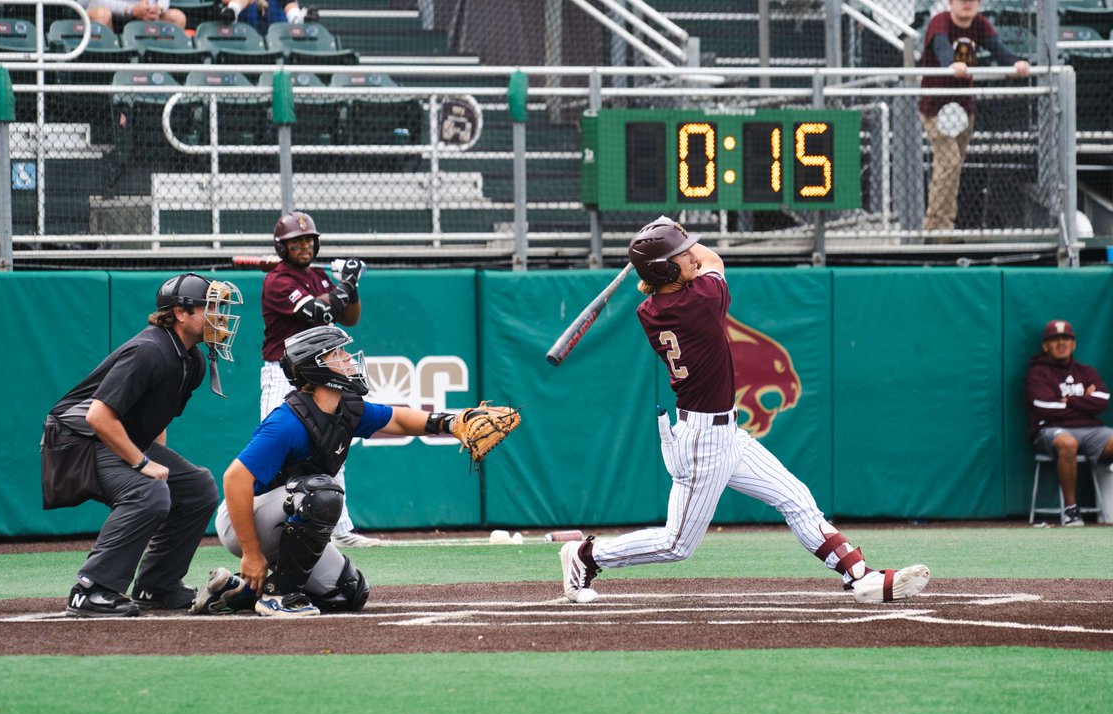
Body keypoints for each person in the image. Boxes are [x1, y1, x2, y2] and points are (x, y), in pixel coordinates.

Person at [560, 217, 931, 605]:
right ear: (665, 269)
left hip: (723, 431)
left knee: (796, 498)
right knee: (677, 544)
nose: (690, 256)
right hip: (704, 440)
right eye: (679, 256)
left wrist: (667, 243)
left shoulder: (650, 310)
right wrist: (674, 232)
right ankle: (586, 556)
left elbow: (685, 266)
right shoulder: (699, 302)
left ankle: (860, 576)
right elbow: (713, 258)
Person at [192, 325, 518, 617]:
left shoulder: (346, 407)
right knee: (323, 493)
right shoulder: (287, 422)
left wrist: (450, 422)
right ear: (318, 366)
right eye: (339, 354)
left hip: (286, 514)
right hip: (245, 520)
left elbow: (398, 419)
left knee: (348, 592)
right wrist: (250, 553)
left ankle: (236, 592)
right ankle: (278, 595)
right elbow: (235, 479)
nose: (349, 359)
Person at [47, 273, 242, 617]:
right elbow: (98, 416)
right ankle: (91, 589)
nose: (221, 318)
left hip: (112, 437)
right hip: (77, 441)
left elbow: (158, 419)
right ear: (181, 313)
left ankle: (157, 585)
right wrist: (142, 464)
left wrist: (155, 459)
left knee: (198, 487)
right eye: (211, 308)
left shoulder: (192, 359)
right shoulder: (149, 350)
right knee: (149, 491)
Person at [261, 210, 380, 547]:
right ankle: (271, 524)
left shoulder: (317, 277)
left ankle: (340, 531)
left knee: (331, 446)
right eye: (295, 242)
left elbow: (350, 318)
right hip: (283, 373)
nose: (304, 246)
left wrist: (351, 288)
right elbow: (319, 312)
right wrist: (343, 285)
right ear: (281, 247)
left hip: (321, 376)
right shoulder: (278, 281)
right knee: (277, 446)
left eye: (308, 240)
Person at [918, 0, 1031, 237]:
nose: (967, 4)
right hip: (936, 108)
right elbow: (941, 47)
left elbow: (998, 49)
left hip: (963, 108)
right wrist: (952, 64)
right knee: (948, 162)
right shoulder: (941, 22)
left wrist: (1015, 63)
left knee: (954, 165)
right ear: (950, 2)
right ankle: (935, 229)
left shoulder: (979, 24)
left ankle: (945, 223)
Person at [1025, 319, 1113, 527]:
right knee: (1068, 443)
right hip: (1050, 430)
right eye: (1055, 339)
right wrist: (1085, 400)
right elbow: (1043, 406)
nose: (1061, 343)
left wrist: (1069, 400)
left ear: (1073, 344)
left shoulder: (1086, 371)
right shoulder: (1037, 373)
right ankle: (1071, 510)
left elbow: (1103, 400)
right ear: (1045, 346)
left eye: (1066, 338)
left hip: (1091, 430)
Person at [83, 0, 186, 31]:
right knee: (102, 14)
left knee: (176, 17)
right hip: (109, 15)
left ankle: (162, 66)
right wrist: (131, 10)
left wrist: (158, 7)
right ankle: (101, 66)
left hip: (144, 14)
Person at [219, 0, 315, 27]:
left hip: (276, 34)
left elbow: (290, 3)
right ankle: (232, 11)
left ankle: (297, 18)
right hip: (245, 27)